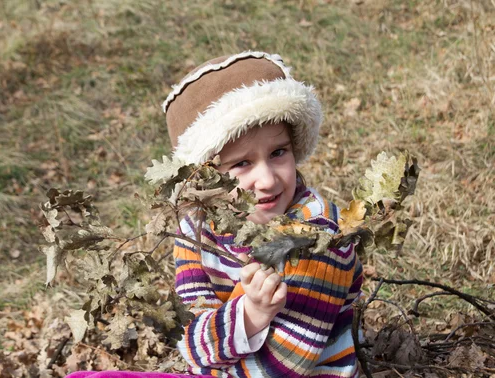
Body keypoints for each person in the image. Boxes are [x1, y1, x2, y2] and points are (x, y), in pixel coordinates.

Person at [67, 51, 363, 378]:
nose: (266, 180)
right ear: (205, 177)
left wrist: (246, 320)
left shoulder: (316, 238)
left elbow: (284, 365)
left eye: (278, 152)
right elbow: (193, 347)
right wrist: (249, 315)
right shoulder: (195, 231)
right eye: (241, 164)